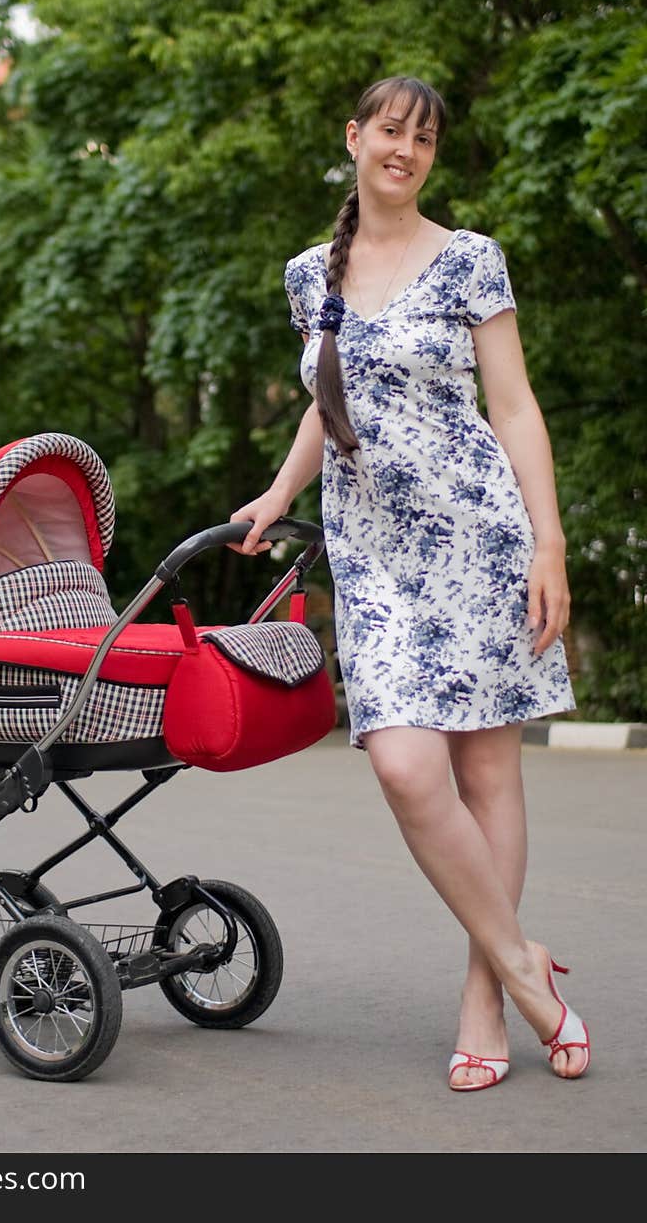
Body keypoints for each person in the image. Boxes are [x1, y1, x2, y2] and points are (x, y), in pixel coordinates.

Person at [230, 76, 590, 1091]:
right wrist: (275, 491)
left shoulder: (471, 258)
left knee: (486, 776)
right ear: (354, 139)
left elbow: (514, 408)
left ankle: (487, 1002)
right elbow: (325, 397)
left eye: (423, 138)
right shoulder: (311, 276)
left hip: (479, 538)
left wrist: (549, 543)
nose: (406, 150)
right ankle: (528, 967)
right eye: (391, 131)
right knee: (402, 765)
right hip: (372, 551)